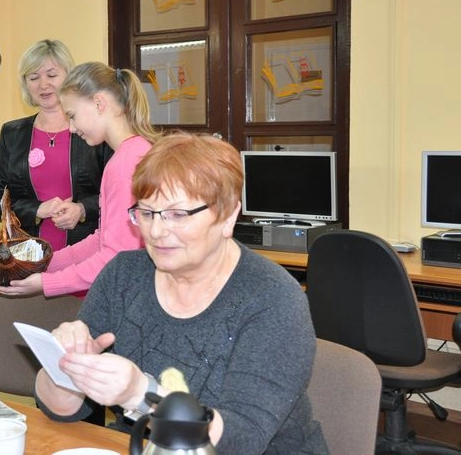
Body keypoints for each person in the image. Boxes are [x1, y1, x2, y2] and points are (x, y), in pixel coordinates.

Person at [34, 133, 328, 453]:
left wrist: (141, 394)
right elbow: (62, 408)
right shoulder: (123, 276)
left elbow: (243, 439)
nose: (157, 231)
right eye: (147, 213)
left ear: (228, 216)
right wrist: (63, 366)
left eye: (178, 214)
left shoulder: (273, 298)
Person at [0, 62, 160, 298]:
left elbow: (116, 257)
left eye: (72, 116)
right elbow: (102, 240)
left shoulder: (125, 163)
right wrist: (43, 264)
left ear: (99, 103)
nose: (71, 128)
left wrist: (47, 282)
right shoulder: (129, 153)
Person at [0, 40, 110, 253]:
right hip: (27, 257)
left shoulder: (93, 130)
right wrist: (37, 209)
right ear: (25, 84)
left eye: (52, 75)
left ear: (69, 77)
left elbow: (117, 192)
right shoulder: (12, 134)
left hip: (88, 253)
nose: (43, 85)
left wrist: (82, 209)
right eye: (34, 77)